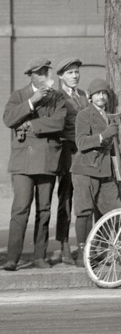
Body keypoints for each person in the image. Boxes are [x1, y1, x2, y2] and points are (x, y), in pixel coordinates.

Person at [2, 58, 66, 271]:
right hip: (23, 163)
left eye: (46, 72)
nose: (44, 77)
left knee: (44, 210)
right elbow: (9, 119)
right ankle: (12, 257)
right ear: (30, 75)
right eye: (39, 73)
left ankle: (40, 256)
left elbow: (59, 122)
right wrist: (32, 101)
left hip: (47, 161)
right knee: (20, 209)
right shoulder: (19, 95)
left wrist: (30, 124)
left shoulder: (56, 98)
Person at [70, 78, 121, 267]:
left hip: (105, 170)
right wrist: (104, 135)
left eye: (104, 93)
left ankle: (110, 250)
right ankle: (83, 253)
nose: (101, 96)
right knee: (84, 211)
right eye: (97, 93)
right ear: (90, 97)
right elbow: (81, 143)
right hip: (85, 170)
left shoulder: (109, 116)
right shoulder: (84, 115)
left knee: (114, 211)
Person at [52, 57, 89, 266]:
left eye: (76, 72)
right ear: (60, 76)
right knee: (65, 198)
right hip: (66, 152)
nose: (75, 76)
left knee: (84, 199)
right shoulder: (57, 97)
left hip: (84, 154)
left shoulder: (84, 96)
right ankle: (64, 245)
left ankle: (85, 244)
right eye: (70, 73)